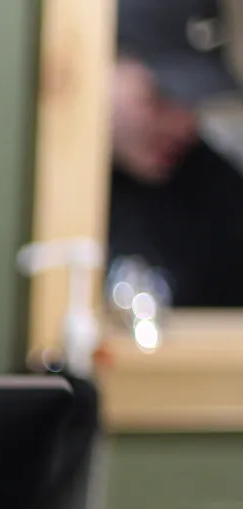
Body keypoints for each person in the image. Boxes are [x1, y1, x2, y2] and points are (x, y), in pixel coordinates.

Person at [108, 0, 243, 307]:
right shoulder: (42, 190)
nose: (185, 125)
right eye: (162, 97)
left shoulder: (215, 194)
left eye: (194, 100)